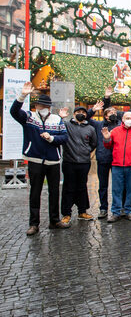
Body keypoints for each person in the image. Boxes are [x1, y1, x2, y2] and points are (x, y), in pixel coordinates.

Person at [11, 83, 69, 235]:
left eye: (43, 105)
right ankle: (34, 224)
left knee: (54, 191)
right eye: (38, 105)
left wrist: (51, 138)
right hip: (35, 160)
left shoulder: (57, 119)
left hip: (53, 161)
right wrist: (22, 96)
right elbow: (14, 112)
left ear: (49, 107)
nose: (40, 107)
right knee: (35, 192)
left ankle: (54, 220)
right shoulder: (29, 117)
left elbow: (64, 137)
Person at [102, 112, 131, 223]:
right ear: (122, 119)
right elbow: (108, 146)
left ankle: (129, 211)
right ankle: (116, 212)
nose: (129, 119)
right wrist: (106, 139)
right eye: (127, 118)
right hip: (117, 166)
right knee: (116, 190)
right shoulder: (115, 131)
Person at [58, 106, 98, 226]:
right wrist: (61, 118)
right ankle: (66, 213)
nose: (80, 114)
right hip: (69, 162)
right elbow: (58, 129)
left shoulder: (90, 128)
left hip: (84, 162)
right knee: (68, 187)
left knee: (82, 187)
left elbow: (94, 143)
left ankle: (82, 211)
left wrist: (86, 151)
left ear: (86, 115)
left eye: (83, 112)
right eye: (78, 112)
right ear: (74, 114)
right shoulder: (67, 125)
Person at [86, 104, 120, 219]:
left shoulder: (120, 125)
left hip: (117, 159)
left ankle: (118, 208)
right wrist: (92, 110)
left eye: (115, 112)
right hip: (103, 158)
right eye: (110, 113)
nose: (113, 114)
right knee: (103, 185)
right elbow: (86, 119)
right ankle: (103, 208)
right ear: (105, 116)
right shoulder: (99, 125)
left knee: (118, 185)